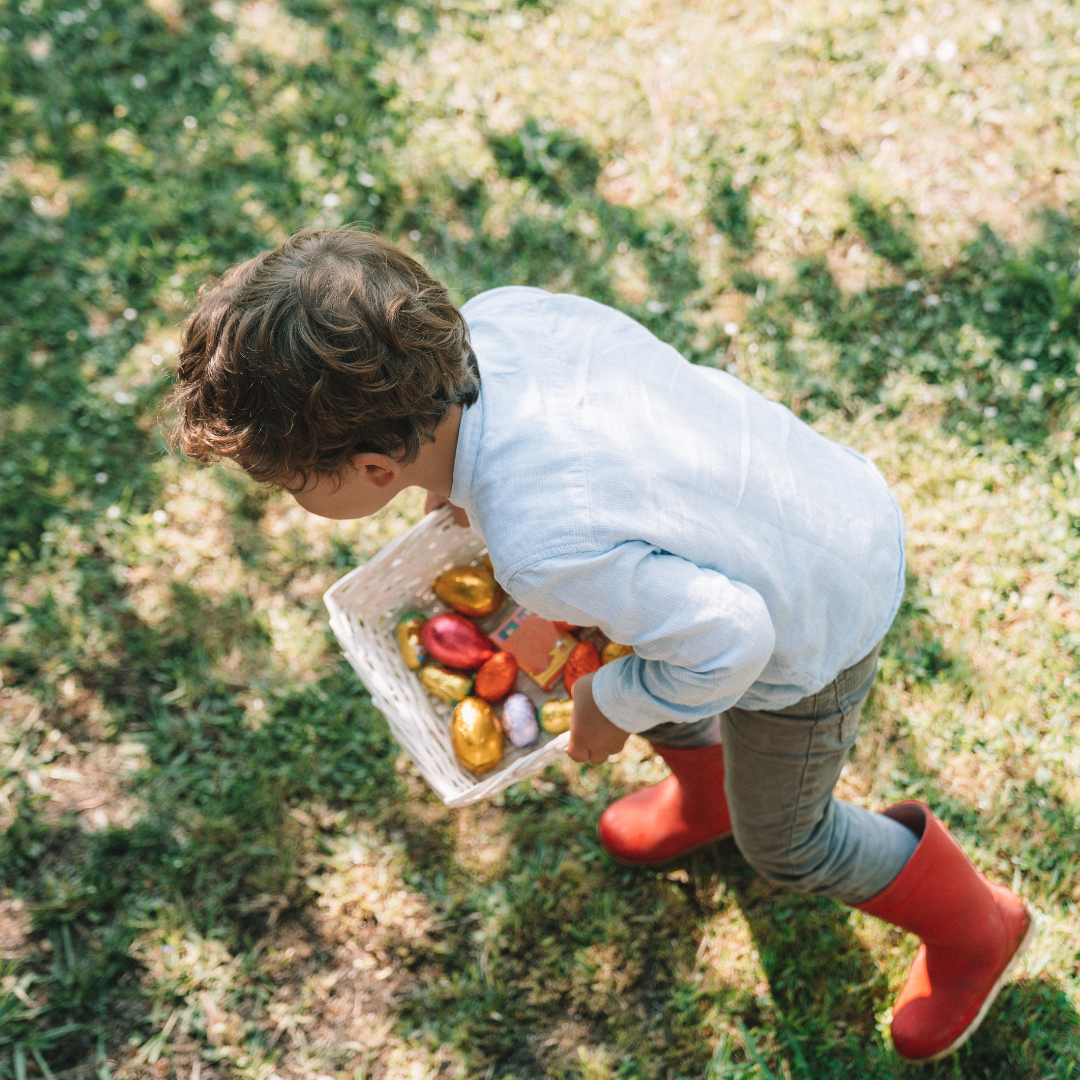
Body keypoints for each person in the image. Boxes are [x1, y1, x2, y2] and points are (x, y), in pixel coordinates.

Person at [168, 227, 1033, 1064]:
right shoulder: (501, 320)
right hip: (802, 503)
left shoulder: (545, 551)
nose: (288, 499)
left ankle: (976, 927)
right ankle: (709, 794)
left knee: (785, 836)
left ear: (375, 470)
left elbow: (732, 641)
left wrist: (604, 706)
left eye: (289, 485)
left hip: (812, 626)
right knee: (620, 639)